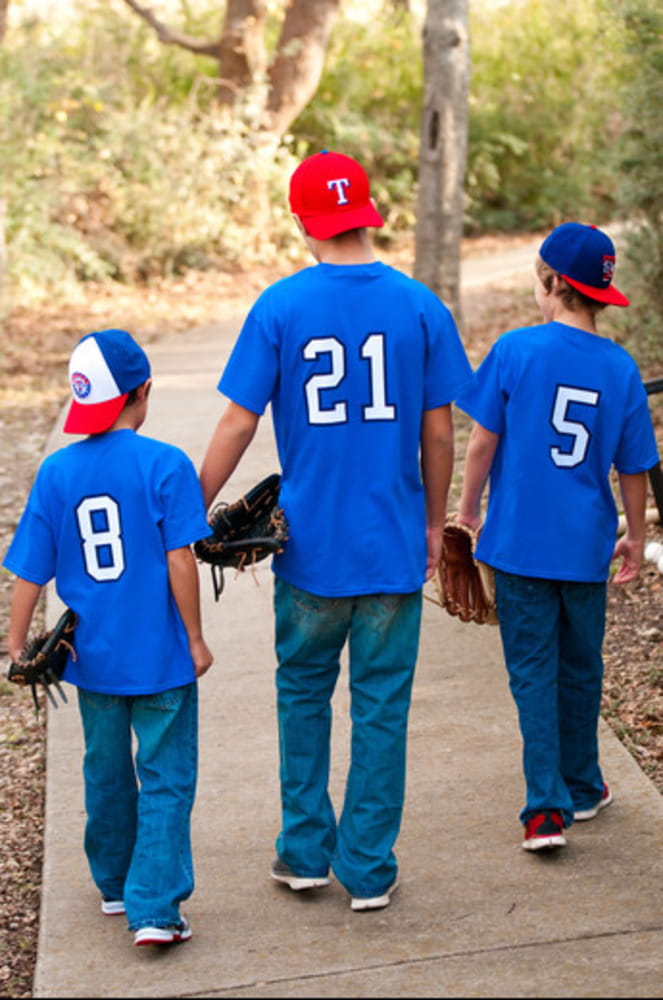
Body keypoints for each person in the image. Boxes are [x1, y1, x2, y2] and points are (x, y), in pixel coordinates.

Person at [199, 150, 472, 910]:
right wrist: (431, 523)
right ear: (368, 211)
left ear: (302, 220)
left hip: (309, 554)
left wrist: (189, 510)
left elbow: (236, 420)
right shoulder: (420, 306)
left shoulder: (280, 307)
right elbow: (439, 433)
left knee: (303, 697)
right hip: (389, 548)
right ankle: (370, 869)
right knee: (381, 708)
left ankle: (304, 854)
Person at [3, 328, 214, 946]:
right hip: (161, 660)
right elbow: (181, 560)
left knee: (106, 770)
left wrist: (17, 647)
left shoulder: (57, 473)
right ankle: (156, 909)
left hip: (90, 660)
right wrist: (196, 638)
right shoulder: (166, 465)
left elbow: (29, 573)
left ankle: (116, 885)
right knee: (167, 777)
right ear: (141, 390)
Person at [454, 222, 659, 852]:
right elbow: (634, 469)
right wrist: (629, 540)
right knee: (582, 667)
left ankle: (545, 809)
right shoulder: (621, 369)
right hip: (584, 545)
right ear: (598, 294)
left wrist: (467, 513)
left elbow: (483, 441)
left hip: (517, 544)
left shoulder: (516, 351)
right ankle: (584, 783)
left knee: (533, 672)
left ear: (550, 285)